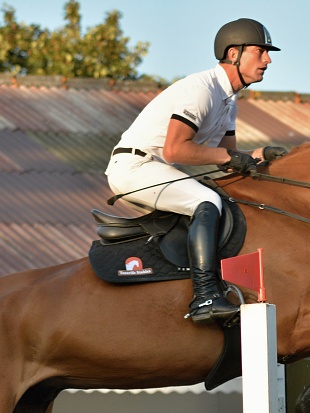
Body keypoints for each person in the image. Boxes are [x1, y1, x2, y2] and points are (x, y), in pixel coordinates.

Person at [105, 18, 285, 325]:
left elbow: (227, 158)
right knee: (208, 202)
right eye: (260, 51)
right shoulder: (202, 90)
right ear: (234, 54)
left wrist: (262, 156)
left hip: (153, 168)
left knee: (221, 198)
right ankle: (204, 297)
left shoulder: (229, 101)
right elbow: (176, 150)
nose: (268, 60)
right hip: (135, 167)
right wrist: (231, 157)